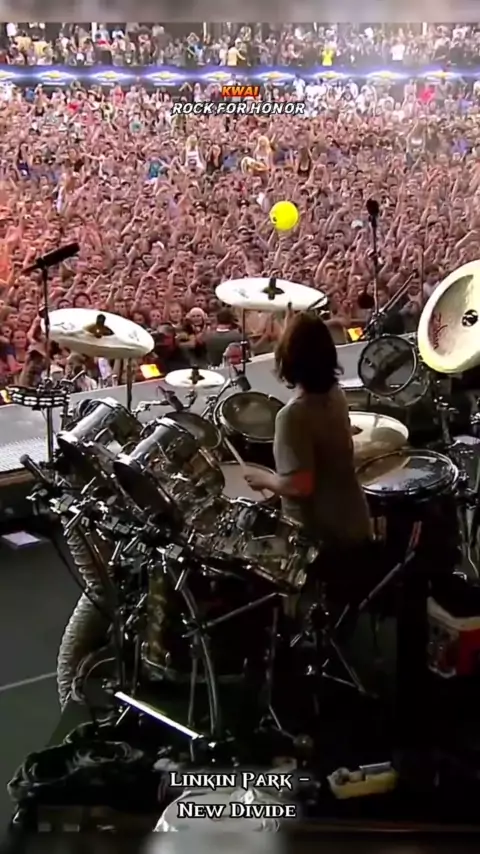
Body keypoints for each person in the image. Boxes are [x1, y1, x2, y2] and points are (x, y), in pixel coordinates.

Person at [244, 312, 373, 547]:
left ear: (288, 358)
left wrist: (265, 479)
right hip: (353, 518)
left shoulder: (293, 415)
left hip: (323, 538)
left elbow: (300, 486)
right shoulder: (336, 394)